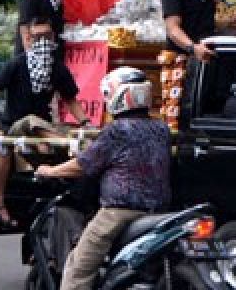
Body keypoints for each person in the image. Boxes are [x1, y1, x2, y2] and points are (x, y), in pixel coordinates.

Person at [36, 67, 171, 290]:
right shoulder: (161, 129)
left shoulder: (117, 130)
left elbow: (83, 165)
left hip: (118, 213)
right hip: (159, 210)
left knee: (77, 269)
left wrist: (50, 171)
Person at [0, 20, 88, 230]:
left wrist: (85, 123)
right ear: (28, 39)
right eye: (38, 38)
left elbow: (70, 99)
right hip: (15, 125)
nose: (43, 43)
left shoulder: (56, 68)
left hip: (43, 128)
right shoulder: (17, 64)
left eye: (47, 37)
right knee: (11, 138)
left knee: (63, 135)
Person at [158, 0, 217, 128]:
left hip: (206, 57)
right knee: (177, 119)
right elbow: (173, 29)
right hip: (181, 59)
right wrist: (193, 48)